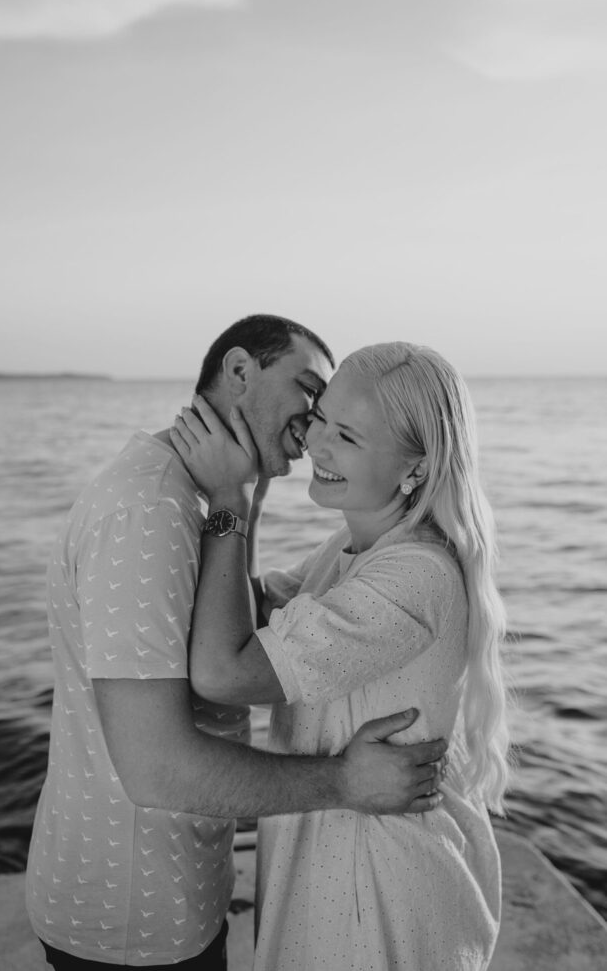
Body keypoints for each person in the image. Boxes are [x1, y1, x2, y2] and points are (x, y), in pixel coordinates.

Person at [25, 318, 449, 970]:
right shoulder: (150, 511)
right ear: (241, 371)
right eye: (311, 394)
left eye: (337, 420)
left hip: (175, 897)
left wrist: (242, 496)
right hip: (132, 918)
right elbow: (157, 767)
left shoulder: (187, 499)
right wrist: (345, 780)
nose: (314, 427)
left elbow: (241, 636)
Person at [172, 340, 511, 971]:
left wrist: (228, 501)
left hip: (378, 889)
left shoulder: (415, 575)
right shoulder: (349, 550)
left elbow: (224, 671)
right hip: (335, 863)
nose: (316, 444)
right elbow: (246, 614)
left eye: (347, 437)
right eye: (321, 417)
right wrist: (256, 488)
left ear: (416, 467)